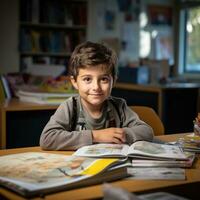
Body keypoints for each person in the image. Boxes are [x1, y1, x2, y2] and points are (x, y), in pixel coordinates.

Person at [40, 41, 153, 150]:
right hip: (78, 165)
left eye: (104, 79)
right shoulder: (71, 107)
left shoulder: (119, 106)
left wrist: (121, 134)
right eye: (87, 79)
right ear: (74, 82)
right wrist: (95, 136)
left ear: (113, 81)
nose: (96, 87)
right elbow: (47, 138)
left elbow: (147, 131)